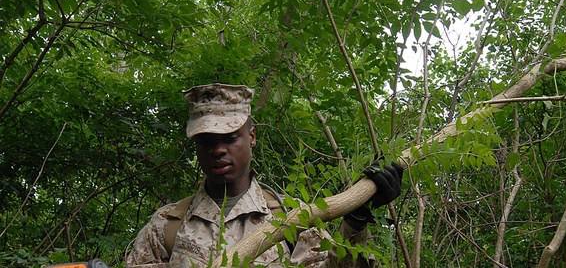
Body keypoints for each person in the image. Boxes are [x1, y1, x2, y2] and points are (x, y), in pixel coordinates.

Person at [126, 83, 403, 268]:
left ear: (251, 137)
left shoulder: (294, 217)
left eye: (230, 138)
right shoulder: (167, 225)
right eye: (206, 141)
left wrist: (356, 219)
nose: (218, 150)